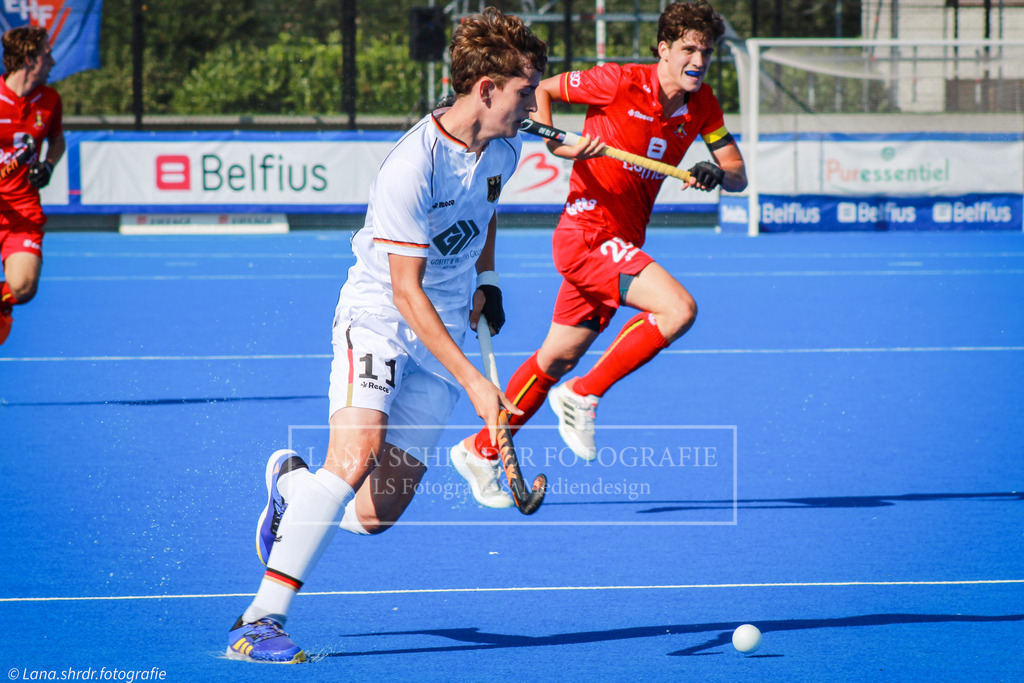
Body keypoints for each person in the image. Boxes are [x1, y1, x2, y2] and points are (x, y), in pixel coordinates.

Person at [226, 7, 547, 663]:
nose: (533, 102)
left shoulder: (506, 148)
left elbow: (486, 205)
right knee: (355, 453)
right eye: (524, 90)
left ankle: (291, 488)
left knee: (374, 514)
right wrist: (478, 382)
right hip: (383, 315)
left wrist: (488, 280)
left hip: (449, 322)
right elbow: (406, 289)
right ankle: (258, 620)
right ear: (486, 89)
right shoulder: (413, 165)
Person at [451, 0, 747, 507]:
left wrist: (717, 173)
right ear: (664, 50)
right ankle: (585, 395)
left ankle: (479, 451)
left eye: (706, 51)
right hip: (587, 235)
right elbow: (541, 89)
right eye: (688, 49)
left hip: (622, 245)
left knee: (554, 359)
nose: (698, 60)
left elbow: (737, 173)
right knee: (678, 310)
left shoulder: (704, 106)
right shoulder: (617, 81)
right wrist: (558, 143)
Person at [0, 25, 64, 346]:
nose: (52, 60)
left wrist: (48, 165)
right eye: (47, 53)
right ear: (28, 58)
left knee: (23, 288)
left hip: (23, 212)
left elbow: (57, 141)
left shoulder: (50, 100)